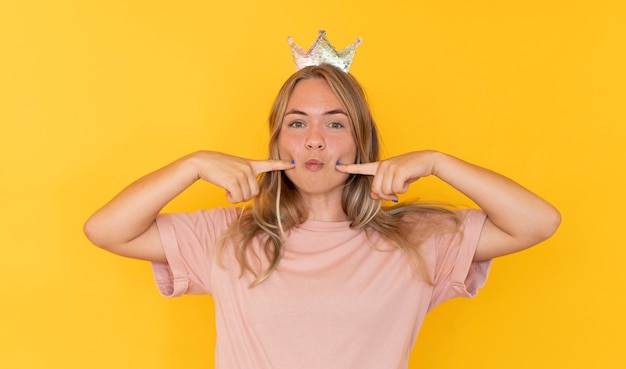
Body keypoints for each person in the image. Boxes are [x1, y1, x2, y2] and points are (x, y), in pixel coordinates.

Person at [84, 61, 560, 368]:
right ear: (277, 142)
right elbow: (105, 230)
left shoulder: (419, 239)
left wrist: (438, 162)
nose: (315, 140)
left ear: (359, 143)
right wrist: (192, 165)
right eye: (297, 123)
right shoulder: (227, 233)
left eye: (335, 123)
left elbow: (538, 222)